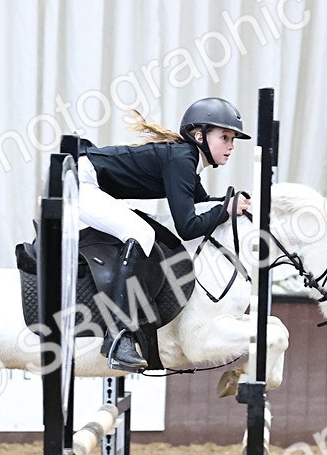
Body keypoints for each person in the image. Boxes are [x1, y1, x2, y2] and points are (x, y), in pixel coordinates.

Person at [79, 97, 252, 372]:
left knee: (142, 230)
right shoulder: (182, 159)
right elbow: (188, 226)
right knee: (141, 233)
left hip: (85, 180)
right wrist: (226, 209)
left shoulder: (187, 160)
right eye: (225, 137)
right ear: (200, 136)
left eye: (233, 140)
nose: (231, 146)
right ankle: (118, 337)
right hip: (79, 182)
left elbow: (202, 205)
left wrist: (234, 204)